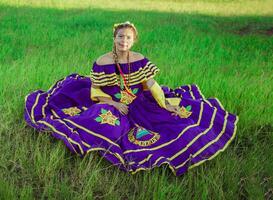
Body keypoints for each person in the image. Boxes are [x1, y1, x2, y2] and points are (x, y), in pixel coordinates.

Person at [24, 21, 239, 176]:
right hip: (109, 100)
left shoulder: (140, 60)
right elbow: (96, 91)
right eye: (120, 36)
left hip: (138, 100)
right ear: (114, 38)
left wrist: (165, 104)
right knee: (104, 124)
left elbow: (151, 84)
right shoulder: (103, 61)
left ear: (134, 40)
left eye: (128, 37)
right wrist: (114, 103)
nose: (123, 40)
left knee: (172, 121)